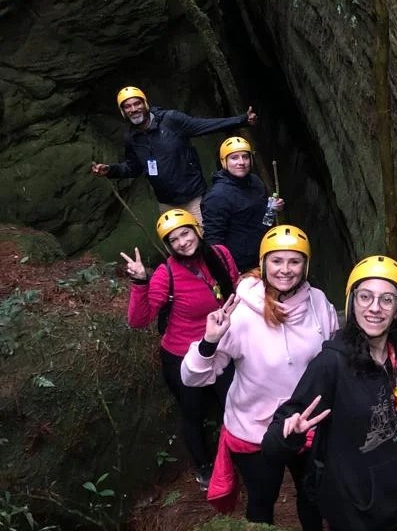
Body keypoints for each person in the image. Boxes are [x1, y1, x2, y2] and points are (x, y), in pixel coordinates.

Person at [262, 255, 397, 531]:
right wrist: (289, 435)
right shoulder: (332, 363)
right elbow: (274, 441)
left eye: (386, 299)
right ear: (351, 302)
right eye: (365, 296)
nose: (374, 307)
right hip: (352, 507)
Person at [180, 225, 338, 531]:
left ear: (306, 265)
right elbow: (192, 377)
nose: (286, 270)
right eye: (277, 261)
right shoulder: (241, 313)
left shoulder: (318, 303)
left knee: (311, 497)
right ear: (263, 263)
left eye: (294, 261)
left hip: (305, 424)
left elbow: (332, 356)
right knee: (262, 501)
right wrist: (209, 342)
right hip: (255, 428)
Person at [121, 209, 239, 487]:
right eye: (174, 240)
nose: (182, 242)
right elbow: (139, 320)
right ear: (168, 246)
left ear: (196, 229)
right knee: (193, 412)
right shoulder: (167, 274)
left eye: (185, 232)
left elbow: (234, 287)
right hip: (182, 356)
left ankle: (237, 455)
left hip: (222, 348)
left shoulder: (220, 255)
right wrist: (140, 281)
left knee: (233, 403)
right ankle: (205, 468)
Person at [91, 86, 258, 222]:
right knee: (179, 250)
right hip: (166, 204)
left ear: (145, 103)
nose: (134, 109)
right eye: (127, 106)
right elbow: (133, 168)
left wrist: (242, 120)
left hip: (193, 199)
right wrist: (111, 170)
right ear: (122, 111)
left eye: (137, 103)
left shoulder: (170, 120)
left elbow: (203, 126)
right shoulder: (131, 138)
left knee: (206, 245)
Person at [201, 136, 286, 272]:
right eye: (234, 158)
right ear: (224, 162)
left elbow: (262, 219)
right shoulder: (217, 197)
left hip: (264, 254)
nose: (241, 162)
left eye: (245, 157)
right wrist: (224, 273)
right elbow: (213, 240)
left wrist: (271, 208)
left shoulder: (255, 182)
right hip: (240, 266)